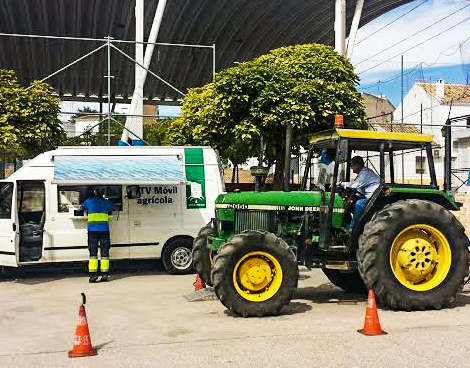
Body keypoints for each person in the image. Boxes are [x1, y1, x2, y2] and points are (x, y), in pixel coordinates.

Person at [81, 188, 115, 283]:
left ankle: (93, 276)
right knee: (104, 253)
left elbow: (81, 207)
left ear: (94, 193)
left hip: (92, 231)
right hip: (104, 230)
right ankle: (104, 275)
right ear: (102, 193)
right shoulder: (106, 202)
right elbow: (114, 206)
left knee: (93, 253)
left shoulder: (89, 201)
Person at [340, 156, 380, 230]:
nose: (351, 167)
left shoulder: (365, 173)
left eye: (352, 165)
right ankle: (346, 224)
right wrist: (351, 197)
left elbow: (356, 185)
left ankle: (353, 228)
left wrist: (341, 183)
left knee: (359, 203)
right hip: (369, 196)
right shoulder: (361, 174)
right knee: (351, 203)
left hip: (375, 198)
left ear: (358, 165)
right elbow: (359, 189)